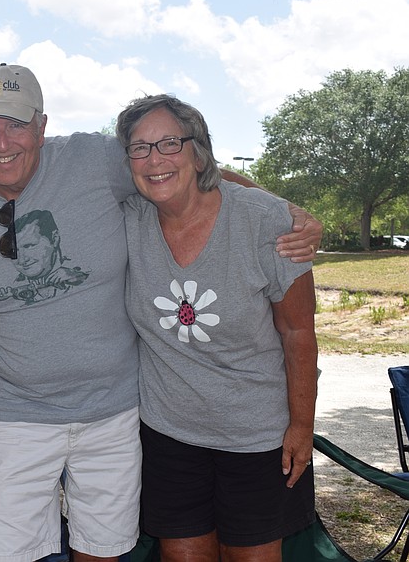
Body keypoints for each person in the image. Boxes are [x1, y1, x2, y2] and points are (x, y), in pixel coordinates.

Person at [0, 63, 322, 562]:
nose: (1, 140)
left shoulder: (92, 159)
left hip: (116, 414)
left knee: (104, 551)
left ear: (42, 126)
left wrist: (285, 211)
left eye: (17, 123)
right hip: (16, 418)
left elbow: (186, 171)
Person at [115, 94, 317, 561]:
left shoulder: (265, 222)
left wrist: (302, 425)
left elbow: (298, 333)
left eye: (169, 143)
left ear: (199, 150)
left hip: (258, 437)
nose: (154, 160)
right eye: (140, 149)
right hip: (168, 434)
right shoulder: (127, 219)